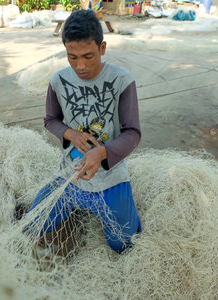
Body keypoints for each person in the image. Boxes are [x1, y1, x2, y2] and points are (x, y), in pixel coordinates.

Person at [27, 9, 142, 254]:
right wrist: (72, 134)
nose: (81, 66)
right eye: (72, 57)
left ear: (102, 48)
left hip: (110, 179)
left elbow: (133, 133)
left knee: (122, 244)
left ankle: (114, 208)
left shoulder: (122, 80)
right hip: (70, 174)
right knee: (32, 224)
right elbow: (51, 120)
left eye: (89, 56)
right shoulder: (58, 80)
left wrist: (102, 152)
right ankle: (76, 202)